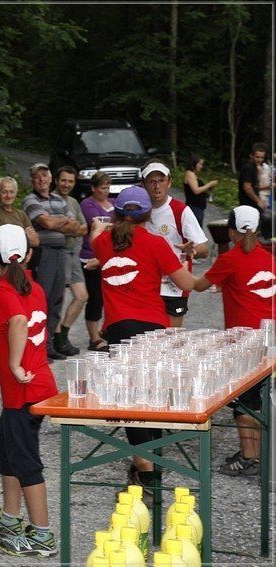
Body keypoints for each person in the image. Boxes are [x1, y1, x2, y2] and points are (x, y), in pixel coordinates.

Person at [90, 185, 194, 491]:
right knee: (153, 395)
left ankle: (144, 470)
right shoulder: (156, 242)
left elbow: (98, 237)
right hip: (154, 326)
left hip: (120, 327)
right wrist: (191, 265)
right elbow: (186, 282)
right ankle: (151, 464)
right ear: (148, 214)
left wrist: (99, 227)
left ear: (117, 213)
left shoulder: (102, 243)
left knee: (130, 399)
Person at [0, 224, 58, 558]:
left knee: (24, 460)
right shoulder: (32, 287)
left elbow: (19, 322)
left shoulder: (5, 292)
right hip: (34, 388)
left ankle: (42, 535)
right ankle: (10, 520)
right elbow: (19, 306)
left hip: (24, 389)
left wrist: (14, 364)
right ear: (29, 255)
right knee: (5, 448)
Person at [192, 206, 273, 476]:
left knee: (243, 398)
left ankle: (250, 457)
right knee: (261, 397)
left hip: (245, 340)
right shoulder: (269, 257)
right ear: (258, 230)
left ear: (230, 231)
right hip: (270, 336)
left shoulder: (230, 258)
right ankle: (260, 454)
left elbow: (198, 285)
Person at [21, 163, 83, 361]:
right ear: (32, 180)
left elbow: (75, 227)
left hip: (60, 252)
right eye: (37, 176)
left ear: (50, 178)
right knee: (41, 300)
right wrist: (60, 220)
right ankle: (37, 348)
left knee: (56, 300)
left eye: (44, 175)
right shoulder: (30, 200)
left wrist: (55, 222)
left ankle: (48, 345)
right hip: (42, 253)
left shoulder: (58, 199)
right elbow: (46, 222)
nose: (42, 179)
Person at [141, 161, 208, 328]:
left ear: (169, 183)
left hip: (174, 285)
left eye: (161, 180)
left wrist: (191, 250)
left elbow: (204, 249)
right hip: (145, 283)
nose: (157, 186)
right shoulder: (139, 211)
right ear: (144, 185)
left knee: (171, 336)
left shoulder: (181, 210)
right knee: (146, 336)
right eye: (152, 181)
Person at [52, 166, 88, 356]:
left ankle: (64, 333)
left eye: (70, 181)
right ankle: (57, 338)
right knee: (59, 297)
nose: (66, 184)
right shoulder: (51, 200)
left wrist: (69, 227)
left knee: (82, 296)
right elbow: (56, 228)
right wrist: (71, 228)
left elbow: (84, 228)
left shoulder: (73, 202)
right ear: (56, 181)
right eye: (63, 180)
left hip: (74, 253)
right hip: (59, 253)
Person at [79, 172, 116, 352]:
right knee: (96, 297)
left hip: (111, 255)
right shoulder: (87, 204)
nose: (106, 191)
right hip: (91, 254)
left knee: (112, 295)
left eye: (108, 187)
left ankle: (106, 329)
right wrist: (115, 225)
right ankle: (93, 337)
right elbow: (96, 224)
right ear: (93, 188)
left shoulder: (113, 202)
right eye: (102, 188)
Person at [0, 176, 40, 255]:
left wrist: (12, 237)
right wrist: (24, 235)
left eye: (12, 192)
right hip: (3, 259)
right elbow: (0, 241)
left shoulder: (21, 214)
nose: (8, 195)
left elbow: (36, 241)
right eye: (4, 192)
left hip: (23, 259)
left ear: (16, 193)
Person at [183, 154, 218, 228]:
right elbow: (196, 190)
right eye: (200, 164)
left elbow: (200, 189)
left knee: (197, 230)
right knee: (195, 230)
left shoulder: (193, 174)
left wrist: (209, 188)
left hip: (198, 207)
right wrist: (209, 184)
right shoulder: (190, 174)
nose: (201, 166)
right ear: (194, 163)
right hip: (194, 207)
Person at [238, 143, 268, 211]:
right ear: (251, 155)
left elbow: (255, 186)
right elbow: (247, 188)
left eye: (262, 157)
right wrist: (258, 201)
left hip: (253, 204)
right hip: (247, 205)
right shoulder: (249, 168)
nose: (259, 160)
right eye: (257, 157)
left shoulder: (255, 168)